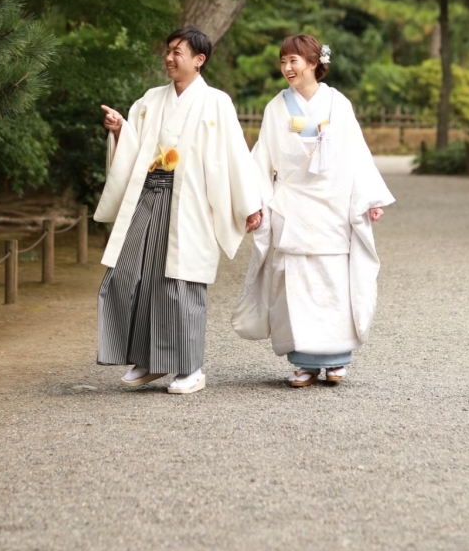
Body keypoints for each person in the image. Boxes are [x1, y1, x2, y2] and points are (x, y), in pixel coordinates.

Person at [94, 26, 262, 395]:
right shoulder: (151, 99)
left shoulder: (217, 102)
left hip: (190, 203)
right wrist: (120, 129)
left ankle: (190, 367)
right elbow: (134, 149)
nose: (169, 58)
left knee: (180, 284)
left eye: (178, 52)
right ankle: (149, 360)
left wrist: (250, 204)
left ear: (199, 60)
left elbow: (234, 154)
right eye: (168, 50)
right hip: (149, 198)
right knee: (130, 274)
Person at [232, 34, 394, 387]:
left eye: (294, 60)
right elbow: (262, 158)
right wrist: (254, 204)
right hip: (293, 203)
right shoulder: (277, 107)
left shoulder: (338, 104)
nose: (287, 68)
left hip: (333, 203)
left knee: (332, 280)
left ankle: (336, 360)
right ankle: (303, 361)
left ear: (313, 63)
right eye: (283, 61)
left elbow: (356, 154)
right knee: (295, 282)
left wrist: (369, 198)